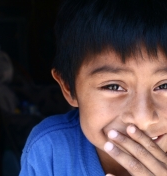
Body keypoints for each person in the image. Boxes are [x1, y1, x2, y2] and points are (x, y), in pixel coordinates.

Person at [19, 0, 167, 175]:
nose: (143, 119)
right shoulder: (50, 151)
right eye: (113, 86)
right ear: (68, 87)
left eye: (164, 85)